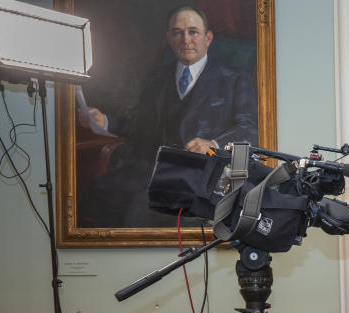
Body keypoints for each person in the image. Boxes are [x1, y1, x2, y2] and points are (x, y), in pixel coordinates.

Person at [81, 5, 258, 227]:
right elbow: (138, 123)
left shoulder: (234, 81)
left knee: (142, 204)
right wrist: (104, 121)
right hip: (147, 169)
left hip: (198, 172)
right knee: (101, 190)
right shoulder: (157, 78)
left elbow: (250, 129)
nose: (185, 40)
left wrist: (213, 144)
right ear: (169, 38)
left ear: (208, 38)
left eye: (193, 32)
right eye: (178, 32)